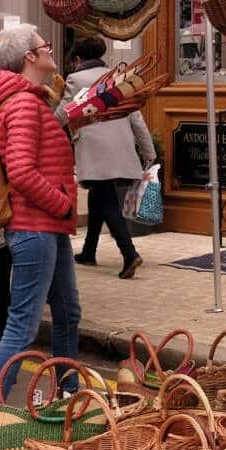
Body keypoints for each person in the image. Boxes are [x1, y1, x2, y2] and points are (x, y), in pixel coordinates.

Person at [0, 25, 80, 403]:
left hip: (48, 228)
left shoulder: (32, 100)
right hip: (35, 228)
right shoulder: (23, 104)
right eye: (45, 45)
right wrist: (63, 203)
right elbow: (20, 171)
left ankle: (68, 393)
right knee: (22, 325)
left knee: (68, 313)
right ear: (30, 57)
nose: (50, 49)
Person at [65, 35, 154, 279]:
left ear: (77, 58)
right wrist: (149, 153)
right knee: (99, 196)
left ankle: (129, 253)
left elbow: (62, 115)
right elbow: (136, 117)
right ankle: (89, 250)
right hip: (120, 148)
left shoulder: (75, 79)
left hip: (95, 152)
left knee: (106, 201)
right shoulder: (117, 79)